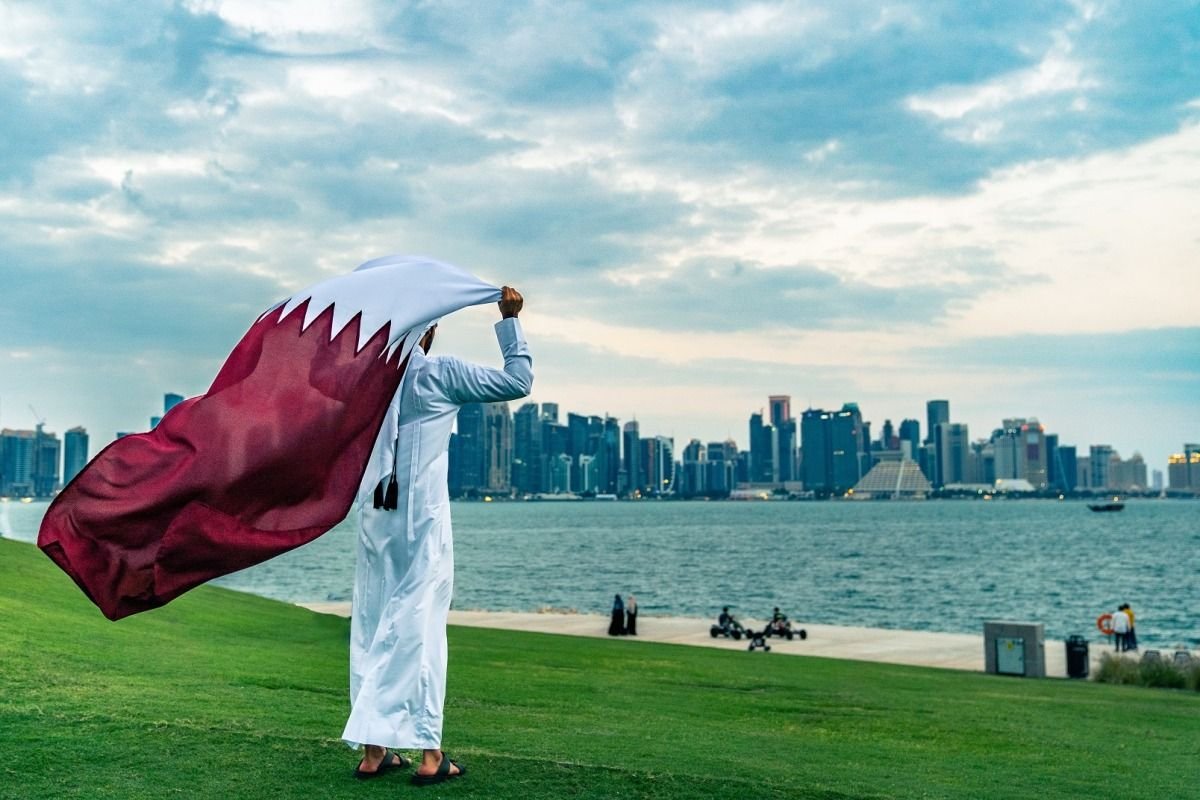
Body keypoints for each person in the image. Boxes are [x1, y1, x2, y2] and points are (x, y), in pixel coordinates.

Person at [341, 286, 532, 785]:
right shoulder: (439, 373)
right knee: (421, 625)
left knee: (371, 622)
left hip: (375, 518)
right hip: (420, 521)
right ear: (429, 329)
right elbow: (518, 381)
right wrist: (510, 320)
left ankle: (374, 750)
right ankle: (430, 755)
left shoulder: (368, 382)